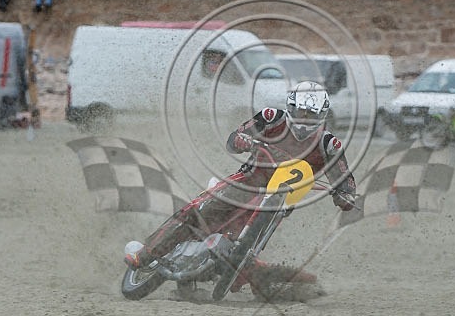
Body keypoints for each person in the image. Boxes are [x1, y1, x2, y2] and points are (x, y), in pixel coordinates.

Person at [125, 81, 357, 270]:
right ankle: (146, 253)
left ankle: (243, 261)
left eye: (311, 114)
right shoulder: (271, 117)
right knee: (199, 212)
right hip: (249, 180)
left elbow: (345, 177)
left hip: (284, 197)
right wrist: (241, 139)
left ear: (322, 116)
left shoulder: (329, 144)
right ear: (291, 107)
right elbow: (233, 139)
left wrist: (345, 195)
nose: (304, 118)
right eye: (301, 111)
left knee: (271, 229)